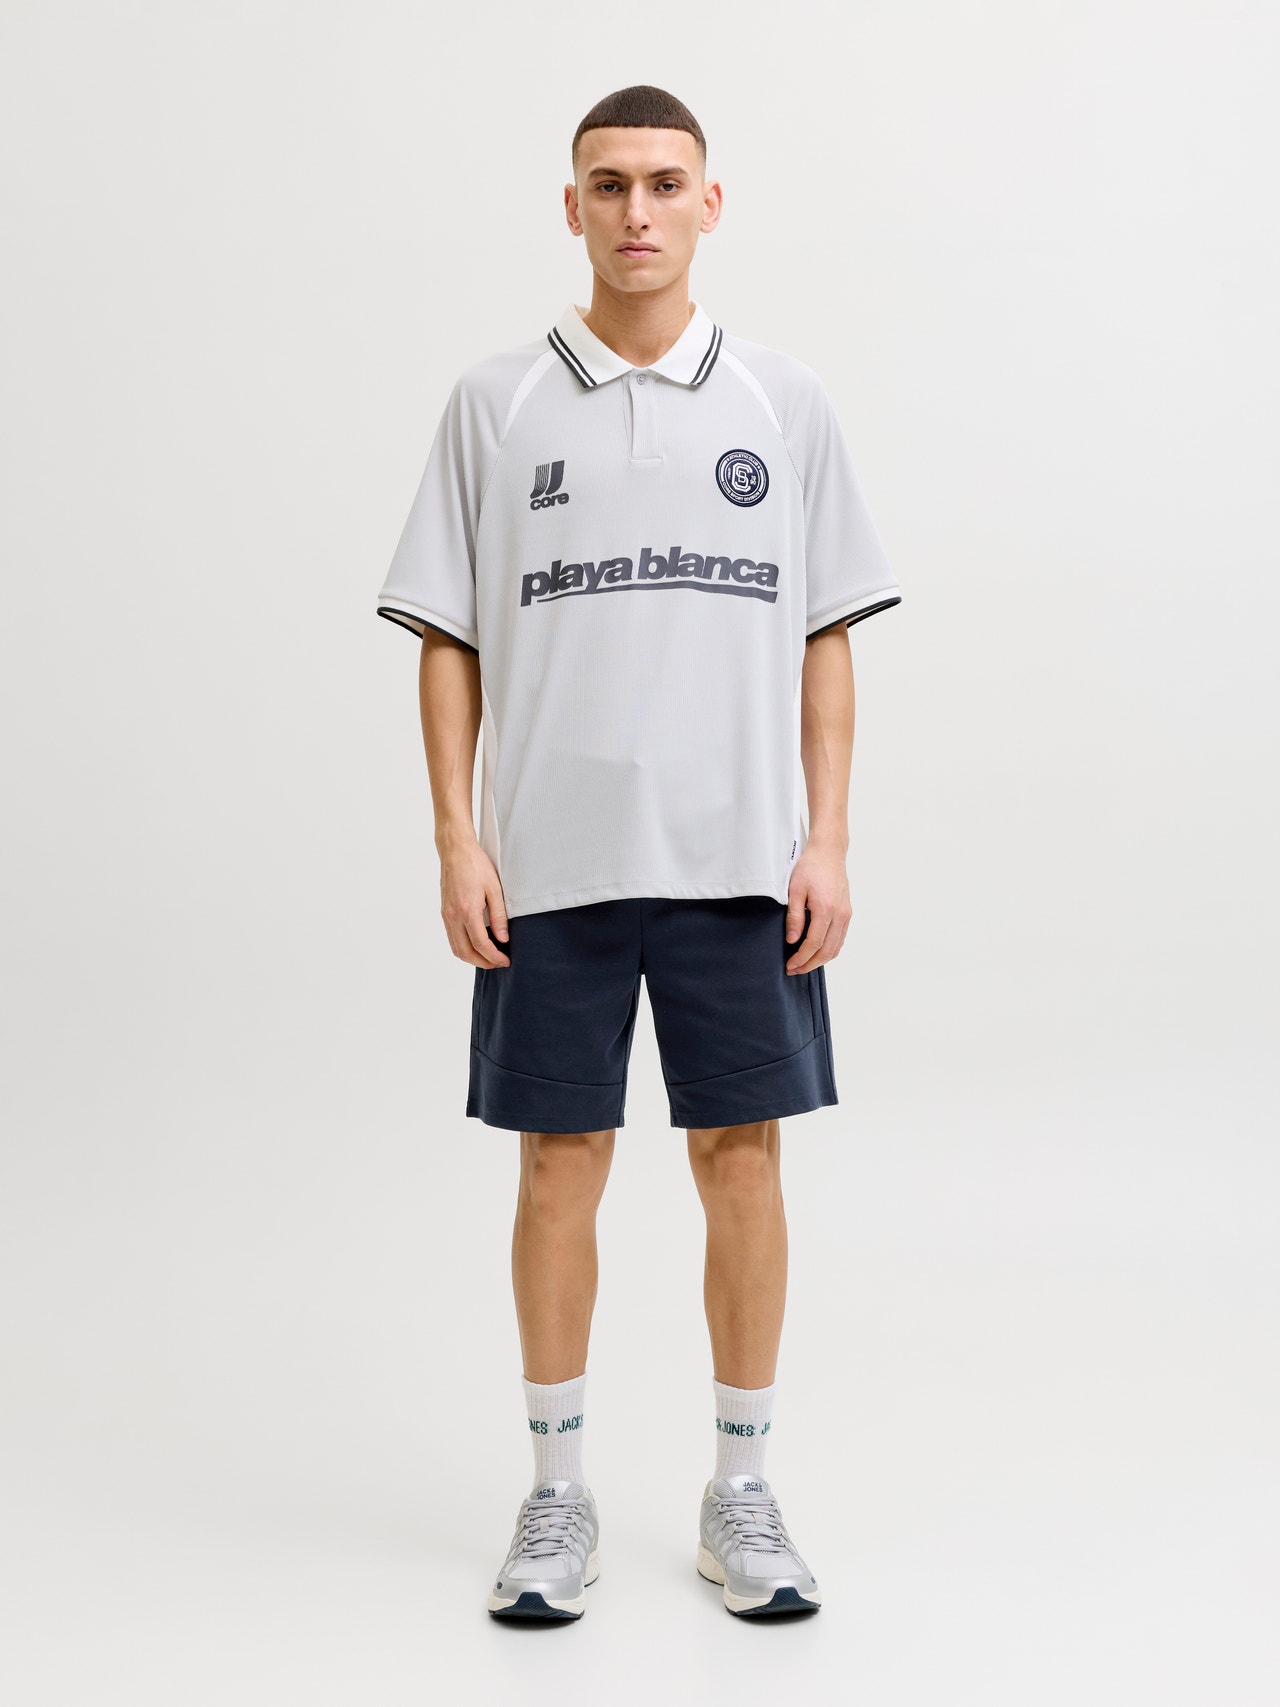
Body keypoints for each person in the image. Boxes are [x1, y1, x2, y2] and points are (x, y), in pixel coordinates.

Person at [375, 84, 901, 1621]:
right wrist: (457, 837)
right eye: (609, 185)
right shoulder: (497, 404)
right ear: (572, 208)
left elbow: (825, 634)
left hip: (739, 864)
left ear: (709, 204)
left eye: (666, 183)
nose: (638, 212)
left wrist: (830, 838)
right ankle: (557, 1498)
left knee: (744, 1165)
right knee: (560, 1169)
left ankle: (743, 1491)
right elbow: (450, 637)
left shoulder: (783, 402)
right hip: (554, 868)